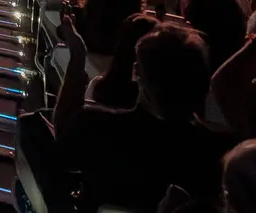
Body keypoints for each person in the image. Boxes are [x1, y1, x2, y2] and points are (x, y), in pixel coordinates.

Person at [48, 20, 236, 213]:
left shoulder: (96, 128)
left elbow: (63, 143)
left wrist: (77, 57)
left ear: (136, 72)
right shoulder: (219, 155)